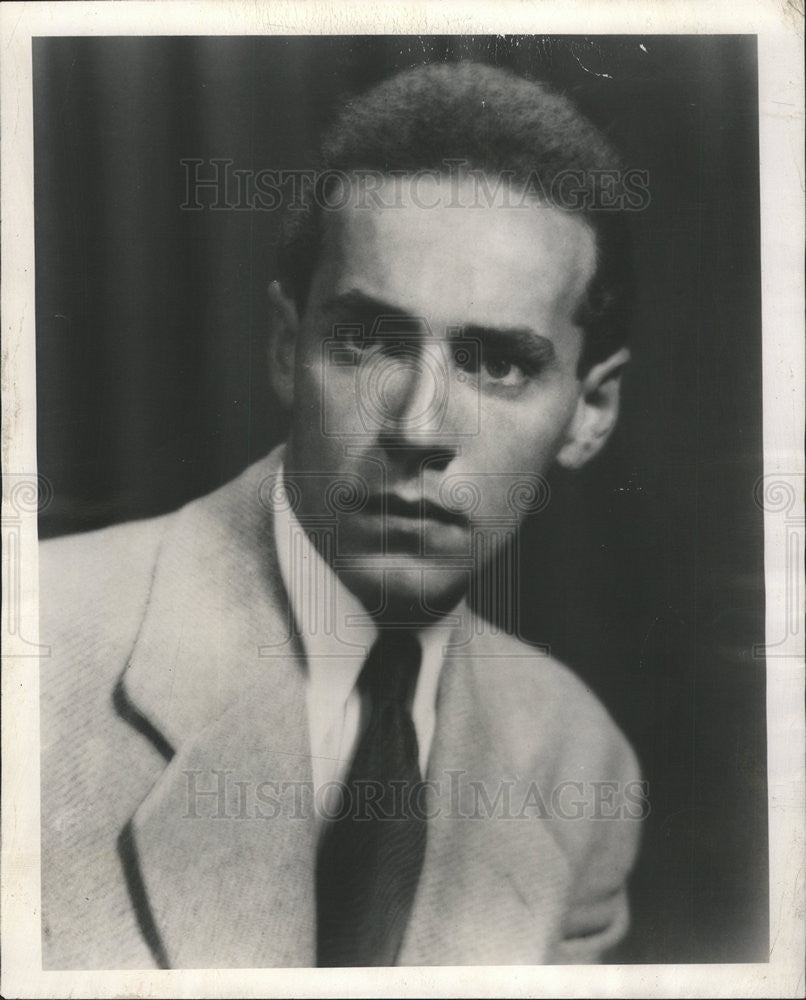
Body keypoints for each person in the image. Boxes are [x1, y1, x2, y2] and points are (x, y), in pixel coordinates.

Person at [39, 60, 644, 970]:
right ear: (289, 350)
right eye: (367, 340)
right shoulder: (37, 647)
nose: (419, 426)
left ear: (590, 413)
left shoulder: (580, 763)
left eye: (498, 362)